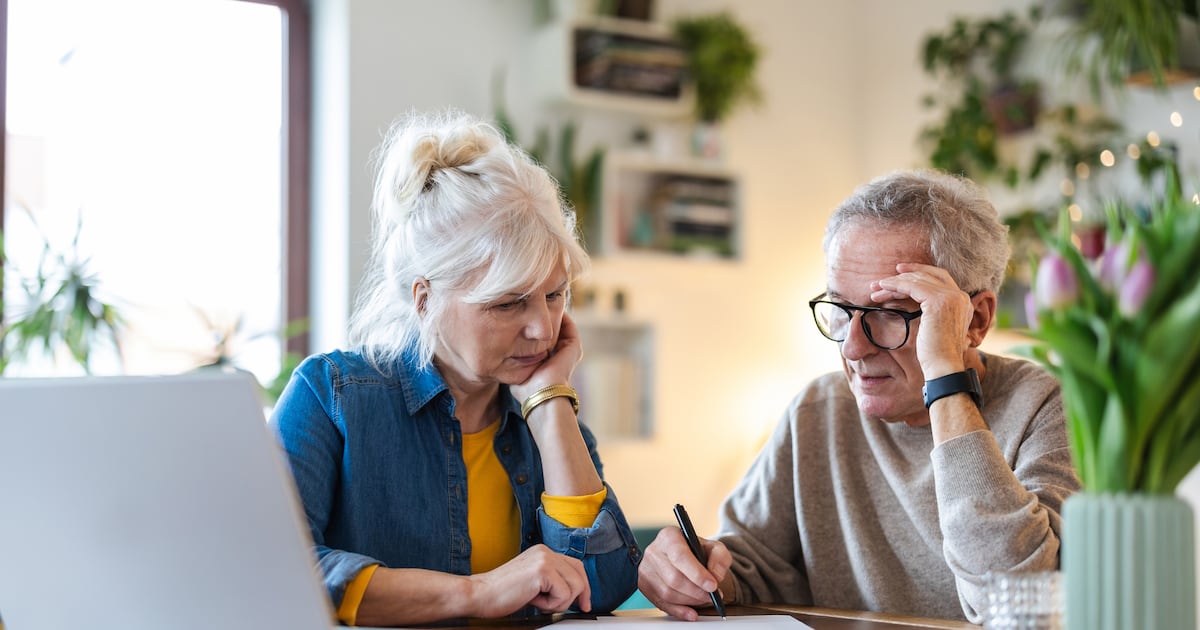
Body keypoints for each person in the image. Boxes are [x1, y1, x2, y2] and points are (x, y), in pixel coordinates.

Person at [636, 169, 1080, 624]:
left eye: (889, 313)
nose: (852, 347)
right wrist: (694, 574)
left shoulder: (1048, 409)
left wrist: (945, 382)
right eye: (841, 311)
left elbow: (1020, 598)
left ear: (975, 320)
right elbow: (750, 568)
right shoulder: (819, 411)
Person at [269, 109, 640, 627]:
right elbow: (277, 570)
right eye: (508, 304)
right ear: (425, 299)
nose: (542, 328)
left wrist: (550, 405)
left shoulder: (546, 416)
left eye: (555, 294)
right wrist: (476, 593)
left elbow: (599, 589)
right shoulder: (332, 396)